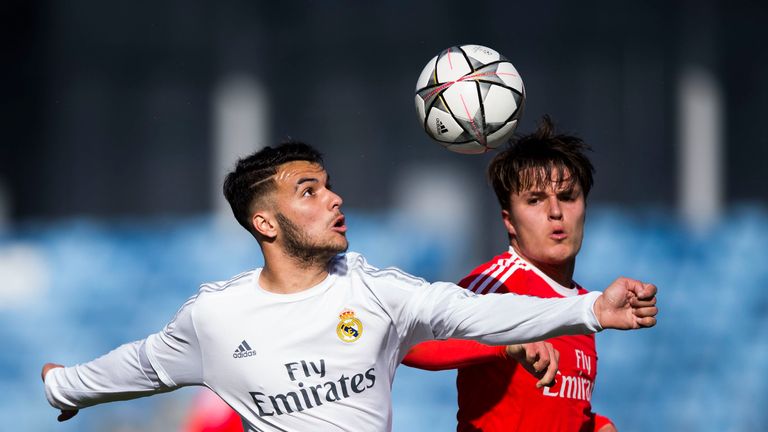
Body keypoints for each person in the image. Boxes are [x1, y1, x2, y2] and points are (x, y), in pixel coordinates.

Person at [41, 141, 657, 432]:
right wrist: (62, 385)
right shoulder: (216, 317)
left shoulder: (377, 290)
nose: (334, 196)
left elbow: (467, 313)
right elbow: (140, 365)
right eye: (308, 191)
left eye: (329, 183)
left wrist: (590, 310)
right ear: (265, 222)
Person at [403, 116, 620, 431]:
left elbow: (553, 414)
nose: (555, 212)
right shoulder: (497, 283)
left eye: (568, 197)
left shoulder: (585, 307)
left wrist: (595, 425)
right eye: (535, 200)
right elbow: (412, 342)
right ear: (509, 221)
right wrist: (504, 345)